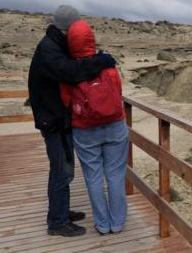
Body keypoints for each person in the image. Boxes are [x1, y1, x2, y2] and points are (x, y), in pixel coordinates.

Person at [28, 5, 116, 237]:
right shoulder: (50, 50)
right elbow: (71, 72)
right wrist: (101, 62)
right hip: (54, 122)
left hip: (56, 118)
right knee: (61, 171)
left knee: (64, 169)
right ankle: (57, 222)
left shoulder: (53, 44)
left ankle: (62, 211)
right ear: (70, 29)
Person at [60, 19, 128, 235]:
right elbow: (117, 92)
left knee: (93, 177)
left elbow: (65, 100)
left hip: (85, 129)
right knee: (116, 175)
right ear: (92, 39)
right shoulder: (108, 65)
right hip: (115, 125)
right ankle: (117, 223)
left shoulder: (69, 71)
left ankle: (102, 223)